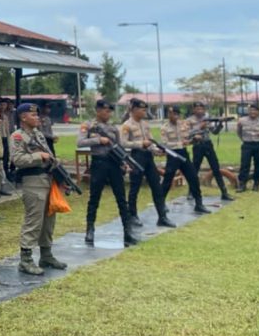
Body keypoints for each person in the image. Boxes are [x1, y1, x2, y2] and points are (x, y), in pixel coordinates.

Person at [10, 103, 67, 275]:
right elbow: (16, 159)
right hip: (32, 181)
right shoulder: (17, 137)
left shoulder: (39, 135)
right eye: (33, 115)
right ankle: (25, 260)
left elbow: (50, 156)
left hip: (48, 179)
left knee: (49, 220)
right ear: (23, 117)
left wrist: (60, 176)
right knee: (34, 220)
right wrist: (37, 156)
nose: (37, 118)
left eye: (37, 115)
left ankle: (46, 255)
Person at [77, 99, 139, 247]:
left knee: (121, 198)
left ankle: (127, 231)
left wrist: (124, 163)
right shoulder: (89, 126)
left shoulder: (113, 128)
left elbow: (119, 147)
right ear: (98, 111)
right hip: (99, 163)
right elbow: (80, 142)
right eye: (106, 111)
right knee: (94, 198)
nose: (108, 113)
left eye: (110, 111)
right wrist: (99, 140)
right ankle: (90, 230)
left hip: (114, 164)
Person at [120, 99, 175, 229]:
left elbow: (150, 141)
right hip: (136, 157)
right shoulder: (126, 125)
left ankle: (162, 216)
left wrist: (156, 151)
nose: (145, 112)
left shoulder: (145, 124)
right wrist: (140, 144)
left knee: (156, 186)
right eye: (142, 110)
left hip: (148, 158)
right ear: (134, 110)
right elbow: (123, 143)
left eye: (146, 109)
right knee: (135, 188)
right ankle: (133, 215)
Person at [158, 106, 210, 213]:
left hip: (183, 153)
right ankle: (161, 203)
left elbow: (188, 139)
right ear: (168, 114)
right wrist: (180, 143)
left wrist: (194, 139)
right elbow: (164, 144)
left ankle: (199, 203)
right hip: (173, 155)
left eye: (177, 114)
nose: (175, 116)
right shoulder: (164, 127)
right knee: (168, 179)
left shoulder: (184, 125)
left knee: (193, 177)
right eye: (172, 114)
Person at [186, 102, 234, 201]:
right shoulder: (189, 120)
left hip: (208, 144)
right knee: (194, 170)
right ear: (193, 110)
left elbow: (214, 132)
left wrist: (220, 124)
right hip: (197, 145)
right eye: (197, 108)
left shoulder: (208, 118)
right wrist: (199, 127)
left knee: (216, 168)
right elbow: (186, 134)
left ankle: (224, 193)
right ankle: (191, 192)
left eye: (201, 108)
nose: (200, 111)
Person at [236, 104, 259, 192]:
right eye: (251, 110)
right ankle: (242, 184)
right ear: (248, 111)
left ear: (258, 112)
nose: (253, 112)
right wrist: (244, 140)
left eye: (255, 110)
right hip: (247, 145)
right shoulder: (242, 121)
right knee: (245, 164)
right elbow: (239, 132)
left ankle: (256, 184)